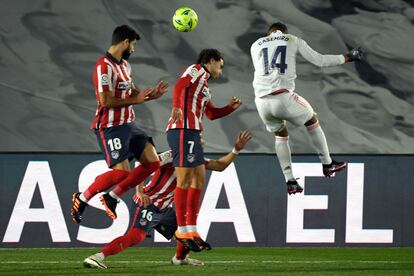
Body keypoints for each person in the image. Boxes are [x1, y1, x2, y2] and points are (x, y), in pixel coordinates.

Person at [83, 130, 252, 269]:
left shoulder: (197, 161)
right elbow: (144, 168)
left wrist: (236, 149)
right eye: (196, 141)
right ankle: (98, 256)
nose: (199, 144)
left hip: (164, 208)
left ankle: (179, 258)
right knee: (136, 236)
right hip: (149, 203)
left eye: (200, 142)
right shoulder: (171, 156)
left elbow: (220, 166)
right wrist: (140, 191)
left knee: (186, 233)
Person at [250, 22, 363, 194]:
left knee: (280, 135)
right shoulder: (292, 39)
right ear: (284, 32)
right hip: (283, 97)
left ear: (269, 34)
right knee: (312, 119)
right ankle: (327, 163)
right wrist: (347, 57)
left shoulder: (255, 45)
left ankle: (290, 181)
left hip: (261, 102)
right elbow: (320, 60)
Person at [71, 25, 169, 223]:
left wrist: (150, 96)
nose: (133, 49)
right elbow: (105, 101)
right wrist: (138, 99)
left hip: (129, 124)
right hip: (110, 126)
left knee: (152, 162)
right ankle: (82, 198)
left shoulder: (125, 66)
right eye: (133, 45)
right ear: (125, 42)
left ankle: (111, 196)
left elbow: (133, 93)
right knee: (121, 173)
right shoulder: (103, 67)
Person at [166, 49, 242, 251]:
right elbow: (180, 85)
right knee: (184, 179)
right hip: (182, 129)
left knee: (199, 178)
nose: (221, 70)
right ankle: (181, 229)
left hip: (194, 132)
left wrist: (229, 108)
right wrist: (176, 106)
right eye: (221, 65)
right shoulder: (196, 70)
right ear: (212, 60)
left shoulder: (205, 86)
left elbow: (210, 114)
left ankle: (192, 229)